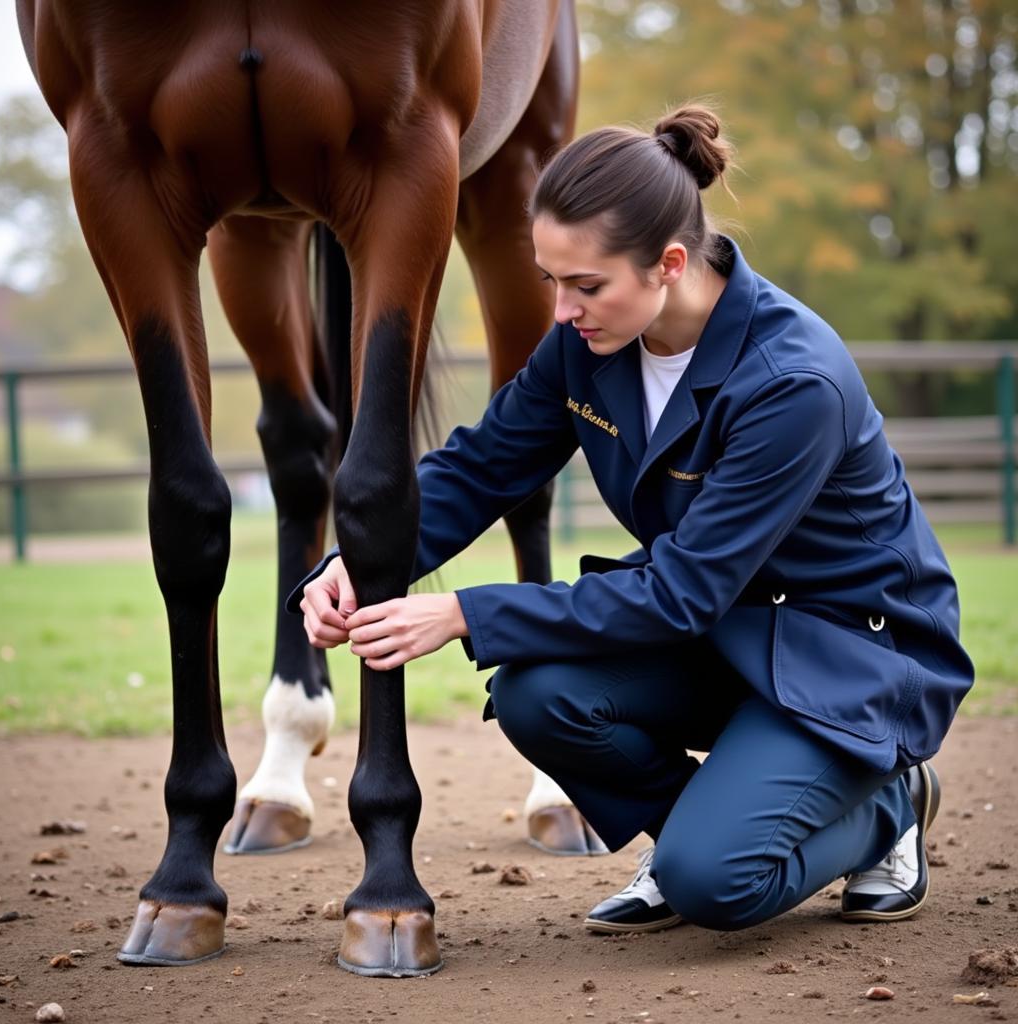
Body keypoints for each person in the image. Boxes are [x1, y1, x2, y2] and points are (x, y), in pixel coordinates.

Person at [292, 104, 974, 935]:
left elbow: (683, 591)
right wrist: (356, 561)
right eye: (550, 281)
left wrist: (463, 611)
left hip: (848, 658)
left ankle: (889, 804)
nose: (561, 311)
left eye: (586, 286)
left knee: (714, 886)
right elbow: (479, 467)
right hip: (728, 634)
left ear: (669, 264)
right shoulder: (590, 340)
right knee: (536, 693)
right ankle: (707, 831)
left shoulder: (795, 383)